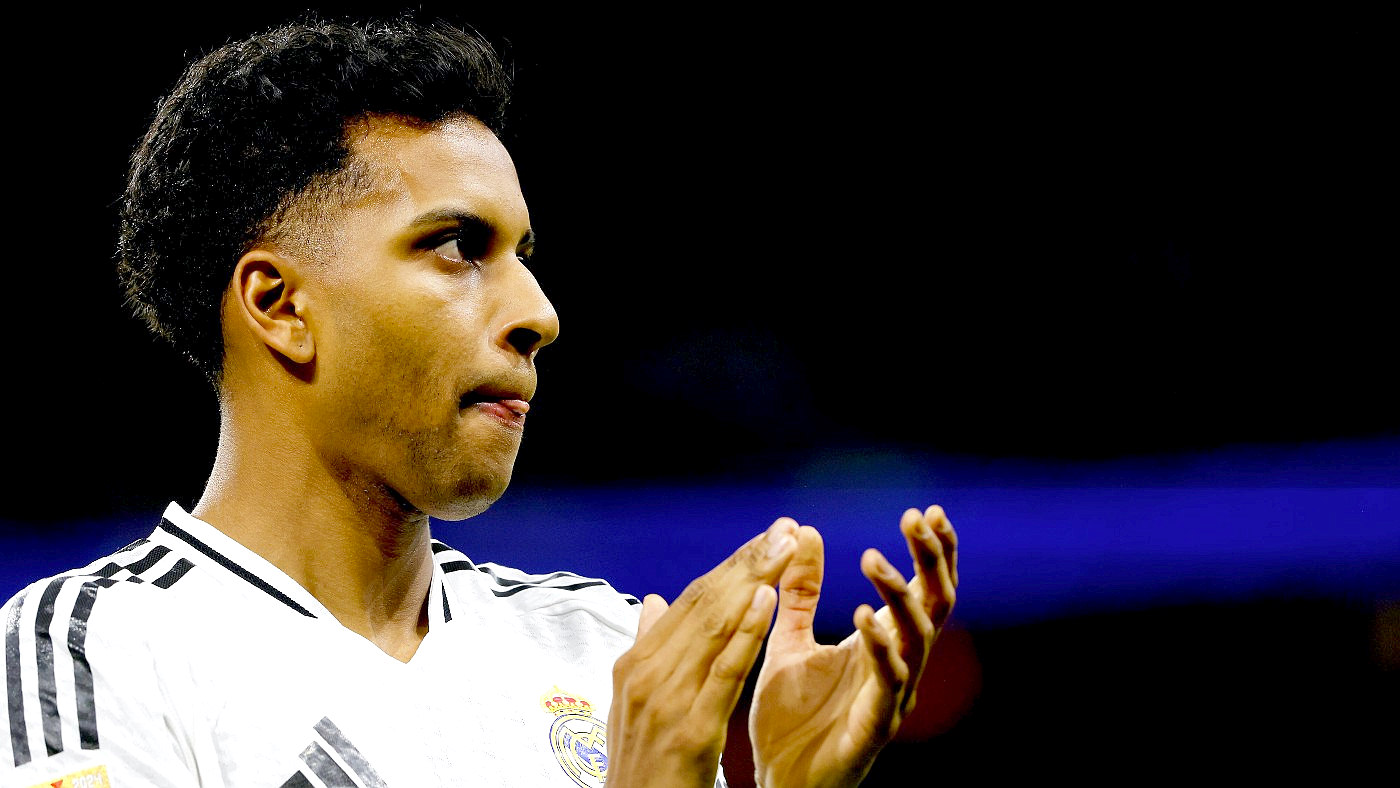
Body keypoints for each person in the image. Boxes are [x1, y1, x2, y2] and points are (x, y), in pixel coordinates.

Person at [2, 16, 958, 788]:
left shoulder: (607, 646)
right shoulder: (96, 649)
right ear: (281, 306)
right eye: (459, 247)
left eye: (523, 256)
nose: (539, 314)